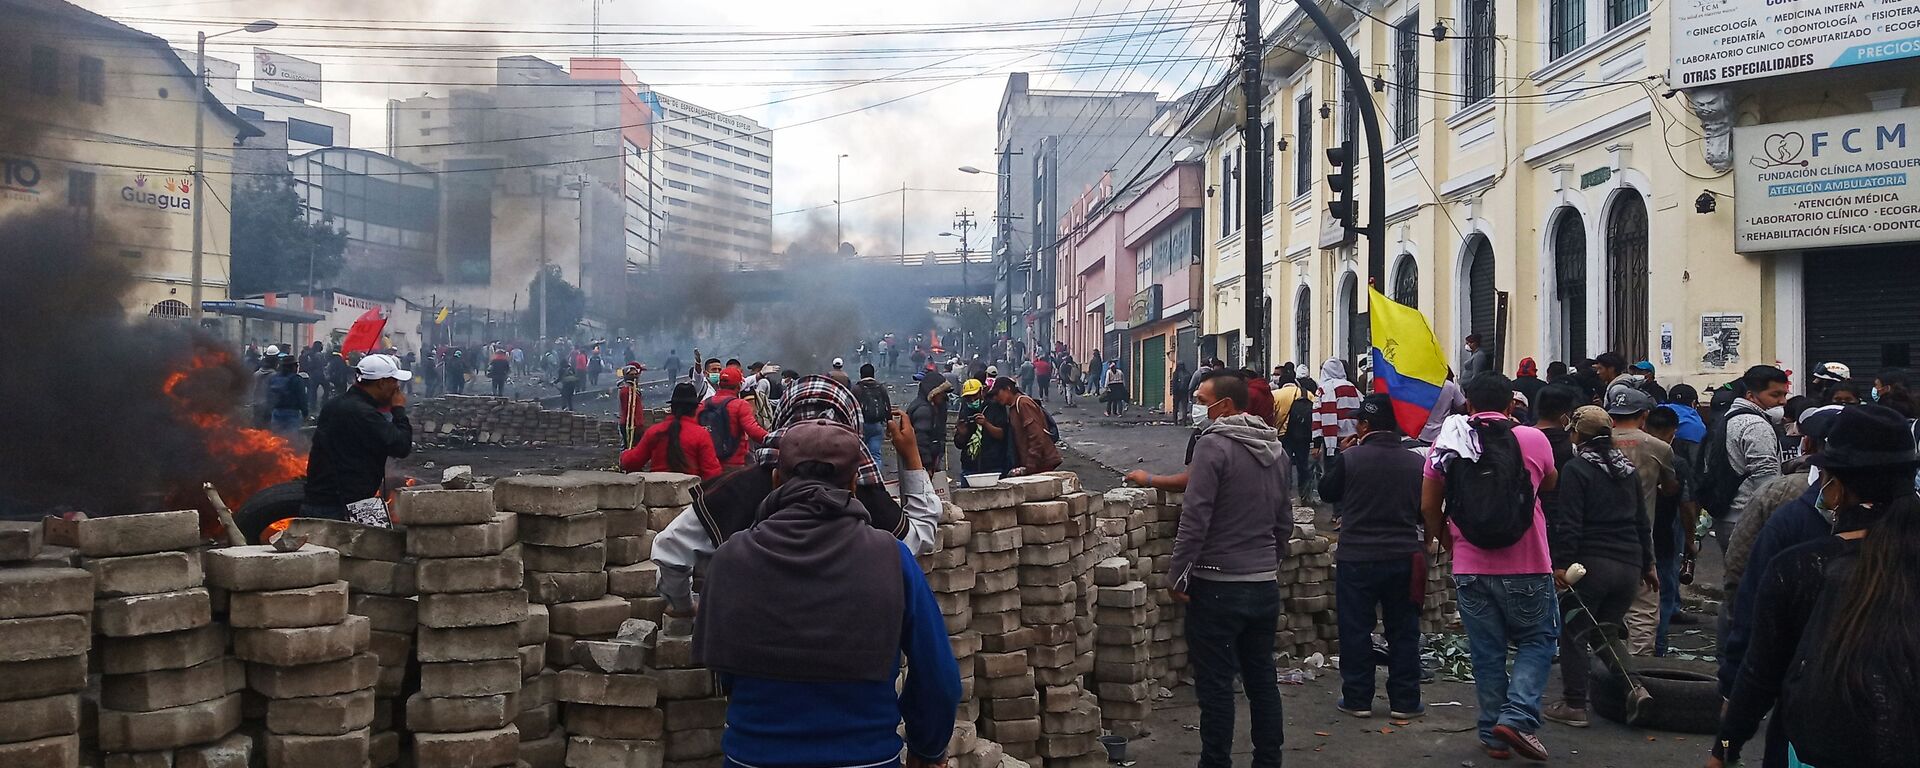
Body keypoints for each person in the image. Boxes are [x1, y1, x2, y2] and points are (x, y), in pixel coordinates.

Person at [692, 419, 962, 768]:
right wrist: (928, 750)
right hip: (867, 759)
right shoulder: (892, 558)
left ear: (775, 480)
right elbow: (938, 676)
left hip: (752, 757)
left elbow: (723, 671)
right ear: (853, 486)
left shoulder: (731, 558)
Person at [1712, 404, 1918, 768]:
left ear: (1834, 487)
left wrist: (1724, 748)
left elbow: (1758, 673)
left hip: (1812, 747)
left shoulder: (1800, 566)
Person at [651, 376, 943, 615]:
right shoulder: (863, 494)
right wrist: (912, 457)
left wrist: (684, 605)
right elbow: (919, 537)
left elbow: (670, 550)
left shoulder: (743, 486)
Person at [1420, 372, 1560, 761]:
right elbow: (1550, 483)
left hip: (1470, 566)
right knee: (1538, 640)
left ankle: (1493, 735)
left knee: (1486, 651)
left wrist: (1447, 540)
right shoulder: (1533, 439)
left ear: (1467, 404)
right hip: (1529, 563)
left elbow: (1429, 505)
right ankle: (1516, 716)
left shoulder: (1447, 442)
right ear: (1512, 405)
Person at [1172, 368, 1289, 768]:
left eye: (1202, 402)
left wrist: (1179, 573)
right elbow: (1283, 522)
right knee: (1262, 680)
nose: (1197, 409)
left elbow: (1196, 515)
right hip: (1262, 588)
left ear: (1224, 406)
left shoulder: (1213, 446)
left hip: (1217, 587)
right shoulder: (1276, 449)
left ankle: (1215, 762)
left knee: (1217, 687)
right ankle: (1268, 760)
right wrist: (1269, 564)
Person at [1542, 406, 1655, 728]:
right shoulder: (1627, 469)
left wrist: (1561, 564)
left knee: (1574, 632)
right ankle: (1635, 687)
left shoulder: (1577, 469)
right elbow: (1641, 521)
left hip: (1592, 565)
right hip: (1629, 565)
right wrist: (1648, 564)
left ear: (1579, 435)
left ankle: (1575, 704)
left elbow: (1570, 522)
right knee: (1605, 631)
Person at [1716, 405, 1838, 698]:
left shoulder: (1778, 494)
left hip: (1787, 634)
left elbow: (1739, 566)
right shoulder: (1898, 505)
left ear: (1806, 443)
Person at [1322, 394, 1427, 720]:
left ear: (1365, 425)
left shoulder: (1351, 458)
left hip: (1358, 557)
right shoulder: (1417, 462)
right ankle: (1405, 702)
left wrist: (1342, 455)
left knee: (1355, 628)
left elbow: (1327, 492)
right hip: (1404, 556)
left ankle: (1357, 699)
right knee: (1404, 629)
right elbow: (1425, 510)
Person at [1604, 386, 1677, 656]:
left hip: (1597, 538)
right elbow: (1671, 487)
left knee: (1601, 607)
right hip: (1638, 537)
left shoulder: (1593, 444)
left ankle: (1605, 665)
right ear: (1644, 415)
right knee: (1644, 609)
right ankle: (1638, 671)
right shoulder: (1658, 447)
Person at [302, 354, 413, 522]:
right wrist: (398, 410)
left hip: (333, 501)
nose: (397, 388)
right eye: (394, 382)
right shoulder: (362, 413)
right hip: (341, 508)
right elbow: (401, 446)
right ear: (382, 383)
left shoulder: (338, 404)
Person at [1709, 365, 1792, 553]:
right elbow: (1767, 481)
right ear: (1750, 396)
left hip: (1729, 517)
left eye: (1785, 395)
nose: (1783, 401)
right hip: (1748, 519)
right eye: (1775, 395)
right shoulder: (1755, 425)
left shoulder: (1731, 416)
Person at [1643, 405, 1698, 653]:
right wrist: (1690, 538)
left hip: (1629, 535)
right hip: (1664, 535)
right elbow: (1686, 505)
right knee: (1662, 592)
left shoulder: (1628, 454)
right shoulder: (1676, 461)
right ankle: (1659, 646)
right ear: (1673, 432)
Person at [621, 383, 723, 480]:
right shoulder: (700, 435)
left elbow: (631, 462)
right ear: (695, 409)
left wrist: (625, 455)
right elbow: (712, 473)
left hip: (657, 491)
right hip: (690, 494)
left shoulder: (654, 431)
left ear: (672, 407)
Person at [700, 367, 770, 468]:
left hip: (709, 462)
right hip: (734, 464)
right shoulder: (740, 405)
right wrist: (773, 439)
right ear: (739, 385)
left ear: (719, 384)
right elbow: (753, 431)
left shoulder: (704, 404)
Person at [994, 378, 1060, 476]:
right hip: (1035, 463)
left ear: (1007, 389)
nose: (996, 397)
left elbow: (1036, 435)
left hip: (1040, 464)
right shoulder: (1013, 407)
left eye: (997, 393)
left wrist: (1030, 464)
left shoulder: (1023, 403)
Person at [905, 376, 952, 491]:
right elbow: (921, 439)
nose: (944, 397)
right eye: (942, 393)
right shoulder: (924, 410)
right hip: (922, 464)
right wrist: (928, 464)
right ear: (933, 393)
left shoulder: (931, 407)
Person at [1314, 358, 1362, 460]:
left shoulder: (1324, 389)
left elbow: (1317, 417)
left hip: (1333, 441)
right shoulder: (1352, 387)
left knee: (1333, 471)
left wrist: (1316, 444)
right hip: (1353, 438)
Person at [854, 364, 892, 474]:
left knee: (860, 455)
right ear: (873, 374)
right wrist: (889, 425)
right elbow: (887, 406)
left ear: (861, 374)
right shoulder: (881, 388)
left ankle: (861, 480)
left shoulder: (857, 389)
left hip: (861, 427)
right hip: (877, 425)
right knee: (876, 455)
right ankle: (877, 480)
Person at [1419, 372, 1469, 442]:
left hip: (1422, 434)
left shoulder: (1420, 385)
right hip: (1443, 434)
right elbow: (1463, 408)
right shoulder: (1449, 386)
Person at [266, 356, 308, 435]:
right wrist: (305, 413)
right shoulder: (297, 379)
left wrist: (270, 410)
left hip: (276, 412)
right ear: (293, 366)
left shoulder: (273, 378)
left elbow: (268, 396)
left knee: (276, 438)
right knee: (291, 439)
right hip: (292, 413)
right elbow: (302, 397)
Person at [615, 364, 647, 450]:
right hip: (631, 425)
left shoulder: (633, 389)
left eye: (636, 374)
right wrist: (634, 426)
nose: (636, 377)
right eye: (632, 375)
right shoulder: (626, 391)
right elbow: (628, 410)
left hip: (636, 424)